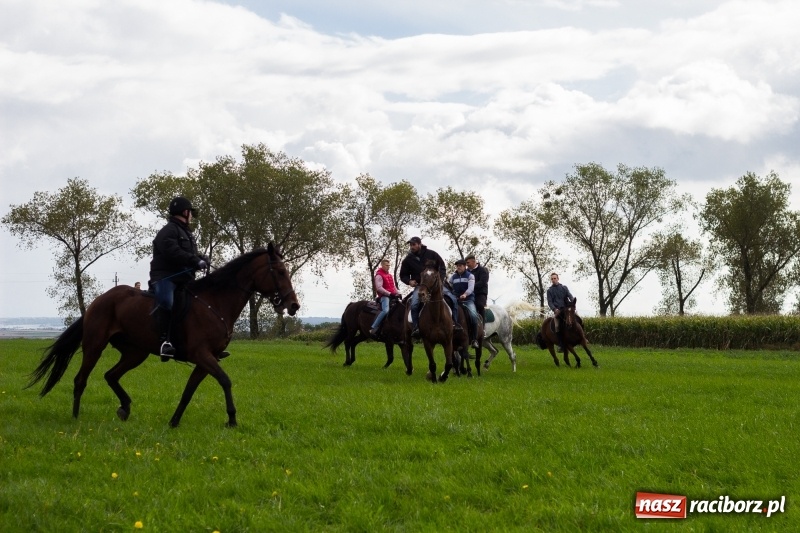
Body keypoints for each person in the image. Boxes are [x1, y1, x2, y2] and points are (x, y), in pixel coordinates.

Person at [149, 196, 208, 359]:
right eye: (190, 212)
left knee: (199, 302)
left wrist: (201, 258)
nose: (191, 216)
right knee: (167, 302)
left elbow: (188, 254)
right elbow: (173, 252)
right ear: (185, 212)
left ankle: (204, 343)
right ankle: (164, 342)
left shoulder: (187, 232)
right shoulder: (168, 231)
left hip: (184, 278)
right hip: (166, 277)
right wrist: (195, 260)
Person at [399, 236, 461, 337]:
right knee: (414, 304)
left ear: (419, 244)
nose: (411, 247)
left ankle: (454, 323)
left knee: (453, 299)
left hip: (437, 285)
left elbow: (442, 267)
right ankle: (416, 327)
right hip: (421, 286)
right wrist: (409, 281)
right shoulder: (407, 260)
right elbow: (403, 275)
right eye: (410, 245)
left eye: (414, 244)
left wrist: (440, 280)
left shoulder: (432, 254)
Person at [450, 259, 480, 348]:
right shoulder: (453, 277)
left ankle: (474, 339)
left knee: (473, 316)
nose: (458, 267)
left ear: (464, 266)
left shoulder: (470, 276)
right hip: (455, 300)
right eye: (457, 266)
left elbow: (471, 288)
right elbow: (450, 288)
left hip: (468, 300)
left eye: (460, 266)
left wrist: (465, 294)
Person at [369, 259, 402, 337]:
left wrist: (399, 293)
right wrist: (390, 294)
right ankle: (373, 328)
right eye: (386, 265)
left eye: (389, 265)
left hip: (392, 296)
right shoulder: (379, 275)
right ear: (382, 265)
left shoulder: (389, 275)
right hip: (384, 297)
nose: (388, 267)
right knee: (385, 310)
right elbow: (379, 288)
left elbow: (393, 287)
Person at [546, 272, 574, 353]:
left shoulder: (564, 288)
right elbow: (550, 302)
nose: (553, 280)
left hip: (567, 310)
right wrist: (554, 309)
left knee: (578, 319)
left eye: (555, 278)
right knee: (557, 326)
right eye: (552, 279)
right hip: (558, 311)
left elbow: (570, 296)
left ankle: (583, 338)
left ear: (558, 279)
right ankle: (561, 345)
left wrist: (572, 303)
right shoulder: (549, 291)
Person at [465, 254, 489, 321]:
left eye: (468, 263)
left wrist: (471, 287)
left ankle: (482, 324)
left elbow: (483, 282)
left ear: (473, 261)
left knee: (479, 305)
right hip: (469, 294)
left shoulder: (483, 270)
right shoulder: (466, 272)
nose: (467, 265)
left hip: (480, 293)